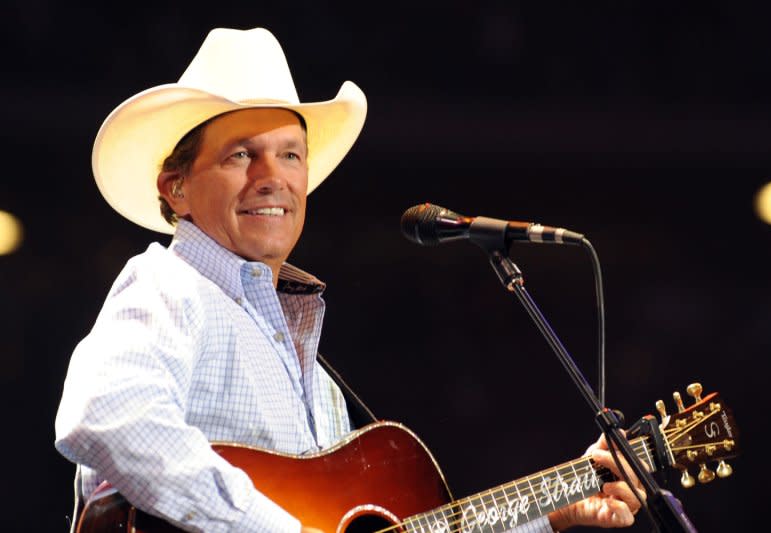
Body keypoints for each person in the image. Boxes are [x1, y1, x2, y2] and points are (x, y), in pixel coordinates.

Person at [54, 27, 645, 533]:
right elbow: (107, 415)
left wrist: (554, 513)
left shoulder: (322, 388)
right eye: (240, 155)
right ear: (175, 187)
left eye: (290, 155)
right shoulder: (166, 285)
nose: (272, 178)